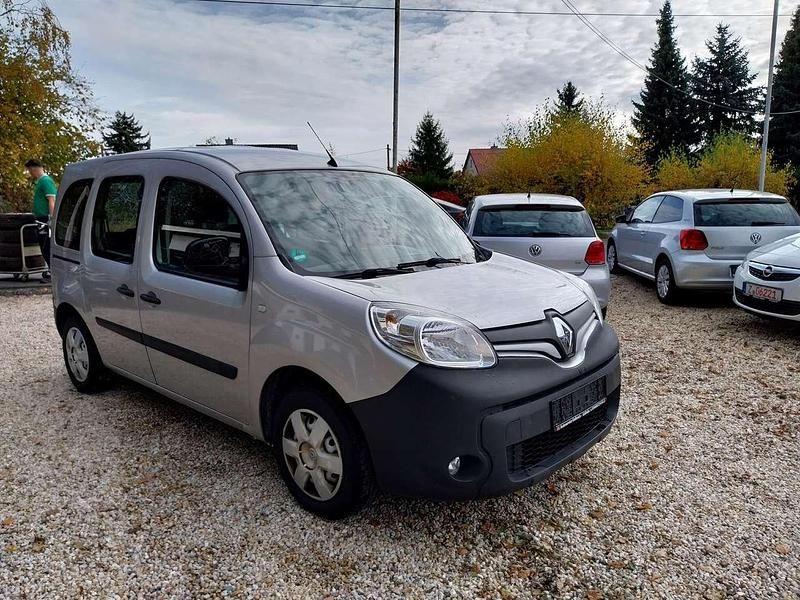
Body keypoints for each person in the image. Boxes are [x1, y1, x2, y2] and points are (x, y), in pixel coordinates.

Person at [24, 159, 57, 282]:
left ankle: (53, 273)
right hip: (40, 218)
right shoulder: (40, 182)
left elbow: (51, 200)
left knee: (46, 246)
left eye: (29, 170)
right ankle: (50, 271)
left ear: (33, 168)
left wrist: (52, 219)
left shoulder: (46, 181)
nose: (29, 173)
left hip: (45, 219)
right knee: (43, 246)